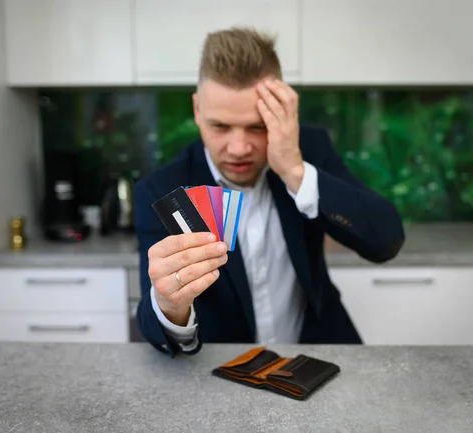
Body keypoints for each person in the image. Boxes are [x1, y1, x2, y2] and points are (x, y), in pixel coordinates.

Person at [133, 27, 405, 357]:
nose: (238, 148)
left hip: (317, 357)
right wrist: (168, 304)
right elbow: (155, 329)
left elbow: (386, 242)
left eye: (257, 126)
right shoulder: (162, 189)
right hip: (222, 372)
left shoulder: (309, 150)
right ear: (197, 111)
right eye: (219, 126)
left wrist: (294, 170)